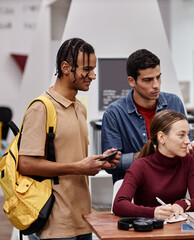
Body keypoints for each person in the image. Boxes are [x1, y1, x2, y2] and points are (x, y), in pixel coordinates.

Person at [18, 38, 120, 240]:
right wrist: (79, 167)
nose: (93, 75)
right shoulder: (41, 108)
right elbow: (26, 163)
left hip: (82, 220)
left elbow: (71, 156)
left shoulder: (80, 108)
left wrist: (98, 162)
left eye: (93, 69)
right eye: (87, 69)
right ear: (65, 68)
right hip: (54, 224)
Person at [101, 49, 194, 183]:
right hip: (134, 193)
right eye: (148, 80)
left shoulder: (174, 103)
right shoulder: (114, 113)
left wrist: (190, 150)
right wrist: (147, 155)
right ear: (132, 81)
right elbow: (110, 165)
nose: (156, 85)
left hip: (172, 188)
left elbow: (185, 149)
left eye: (158, 77)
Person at [112, 110, 194, 220]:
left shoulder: (187, 161)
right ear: (161, 137)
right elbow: (119, 204)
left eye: (188, 135)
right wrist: (153, 212)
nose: (187, 141)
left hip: (177, 230)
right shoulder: (140, 166)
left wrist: (182, 204)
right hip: (148, 230)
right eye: (181, 135)